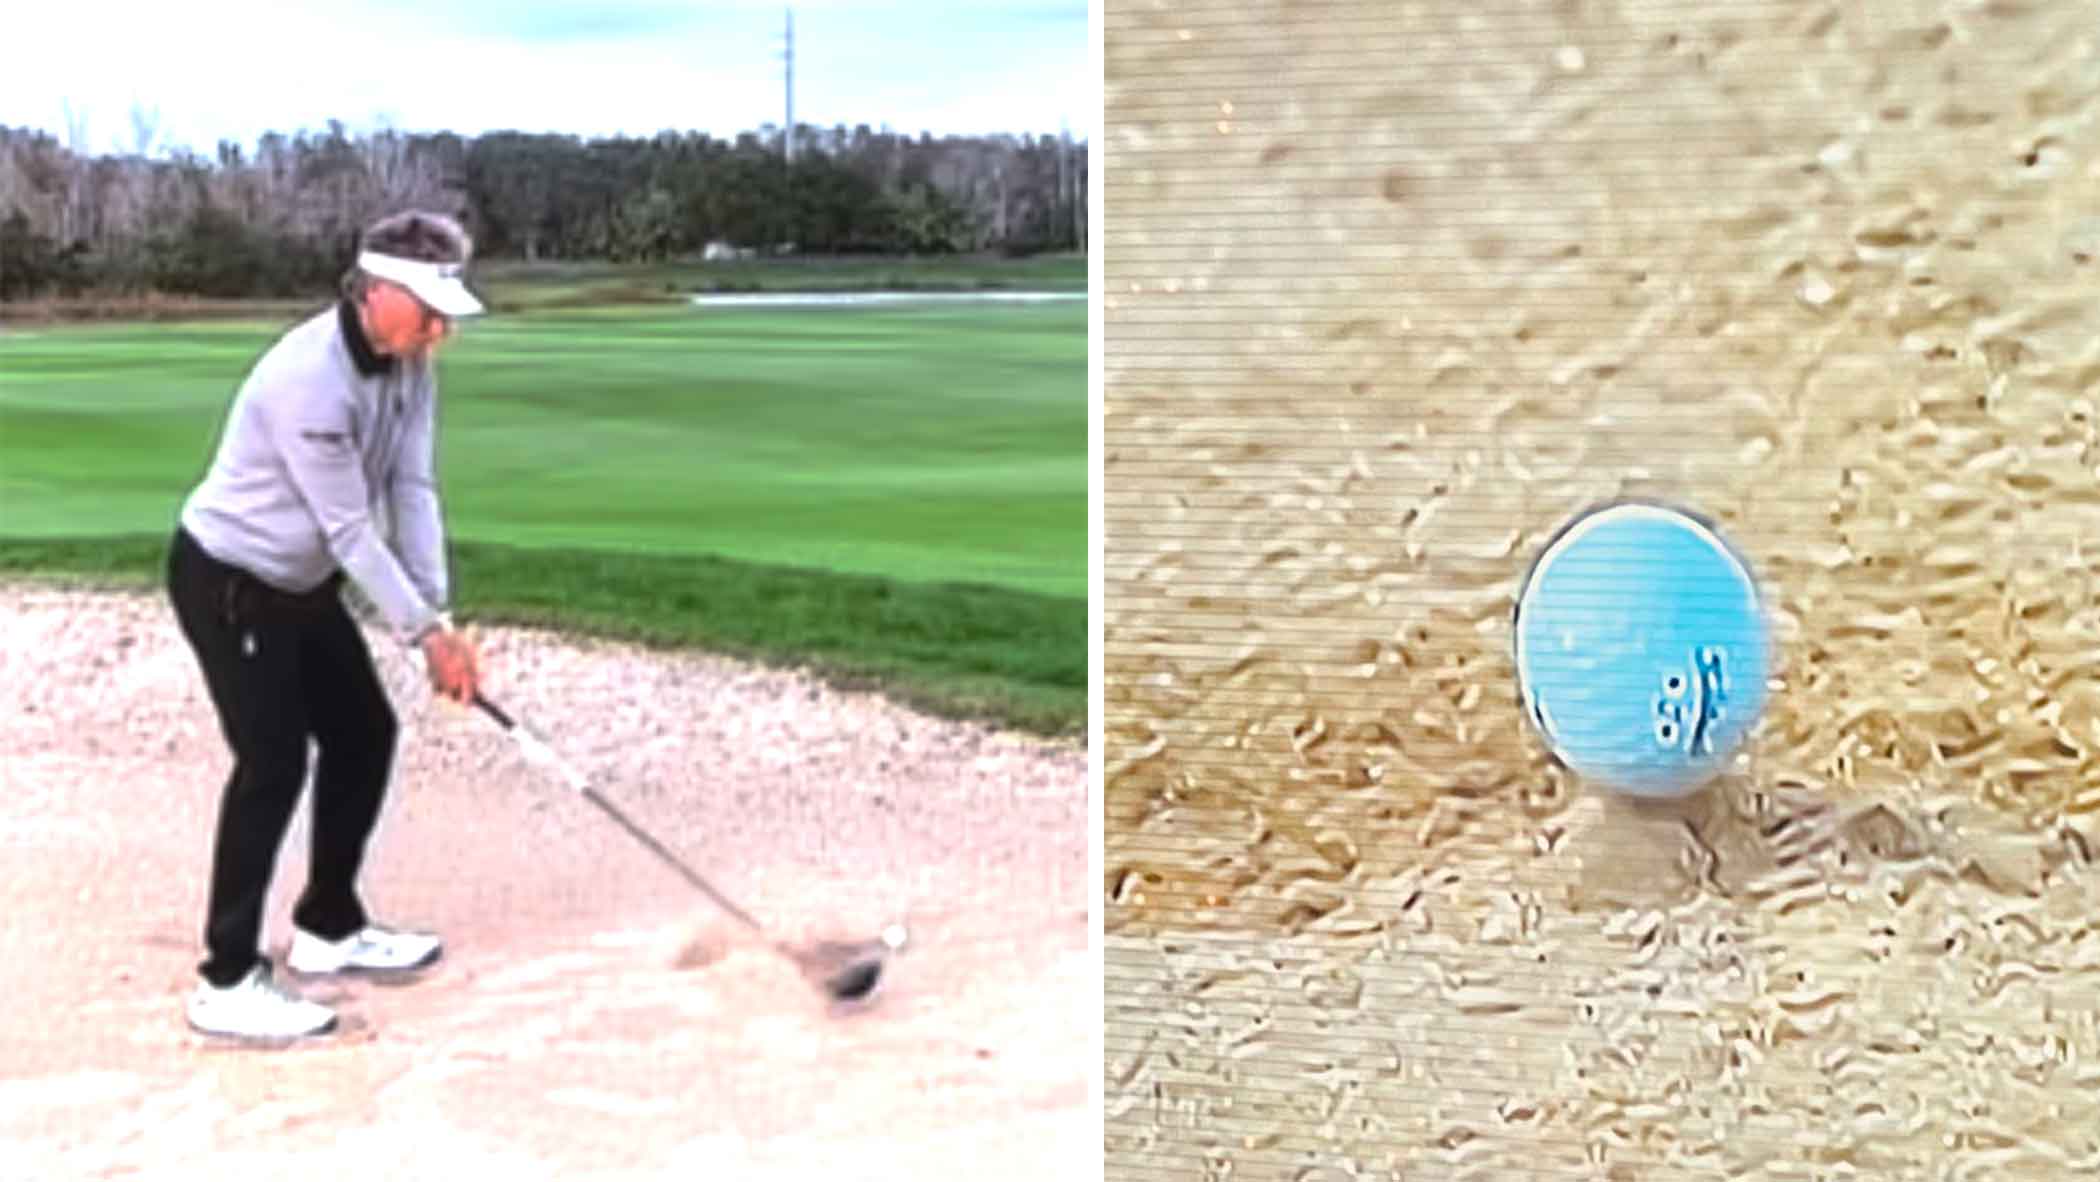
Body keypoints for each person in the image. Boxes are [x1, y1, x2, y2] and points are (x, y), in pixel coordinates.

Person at [166, 209, 487, 1041]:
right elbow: (348, 530)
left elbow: (412, 489)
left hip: (300, 583)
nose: (441, 329)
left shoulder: (411, 362)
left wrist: (439, 615)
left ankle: (329, 926)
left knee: (364, 733)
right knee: (273, 760)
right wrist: (425, 638)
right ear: (375, 291)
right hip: (231, 578)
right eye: (428, 310)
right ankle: (226, 979)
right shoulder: (309, 380)